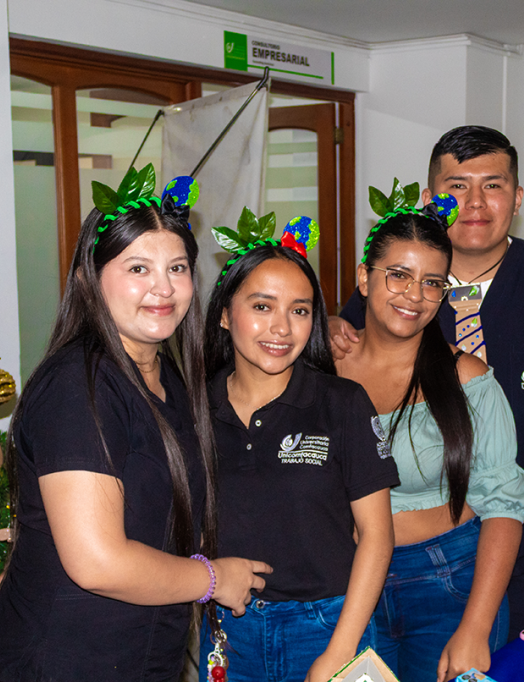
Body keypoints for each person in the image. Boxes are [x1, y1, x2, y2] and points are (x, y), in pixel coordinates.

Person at [334, 126, 524, 639]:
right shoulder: (398, 289)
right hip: (412, 540)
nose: (475, 202)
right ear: (429, 197)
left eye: (493, 185)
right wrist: (325, 327)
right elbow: (346, 354)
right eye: (456, 186)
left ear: (517, 197)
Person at [0, 181, 270, 682]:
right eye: (138, 269)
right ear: (91, 278)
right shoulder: (78, 384)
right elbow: (97, 562)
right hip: (59, 660)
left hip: (140, 655)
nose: (164, 288)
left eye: (177, 268)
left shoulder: (167, 376)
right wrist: (213, 578)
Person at [336, 192, 524, 682]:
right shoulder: (322, 369)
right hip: (344, 583)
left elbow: (504, 507)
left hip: (448, 583)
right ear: (364, 277)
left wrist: (476, 624)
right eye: (398, 275)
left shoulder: (464, 376)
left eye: (432, 282)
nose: (414, 295)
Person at [201, 217, 400, 682]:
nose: (282, 328)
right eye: (262, 306)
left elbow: (377, 536)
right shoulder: (193, 408)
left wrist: (339, 650)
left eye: (300, 310)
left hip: (329, 623)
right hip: (231, 630)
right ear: (226, 314)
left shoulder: (341, 403)